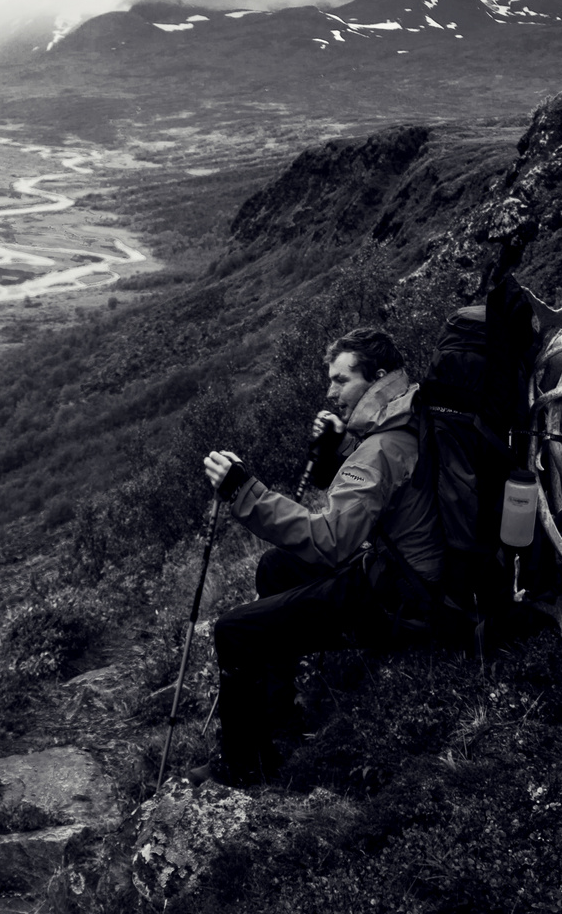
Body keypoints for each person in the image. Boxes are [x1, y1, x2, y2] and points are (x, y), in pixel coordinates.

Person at [195, 327, 442, 786]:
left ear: (378, 378)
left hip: (399, 597)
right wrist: (342, 447)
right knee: (275, 567)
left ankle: (246, 764)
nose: (331, 391)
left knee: (235, 631)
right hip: (414, 574)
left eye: (341, 379)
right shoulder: (408, 417)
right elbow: (381, 487)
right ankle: (278, 716)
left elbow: (331, 539)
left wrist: (242, 491)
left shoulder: (382, 447)